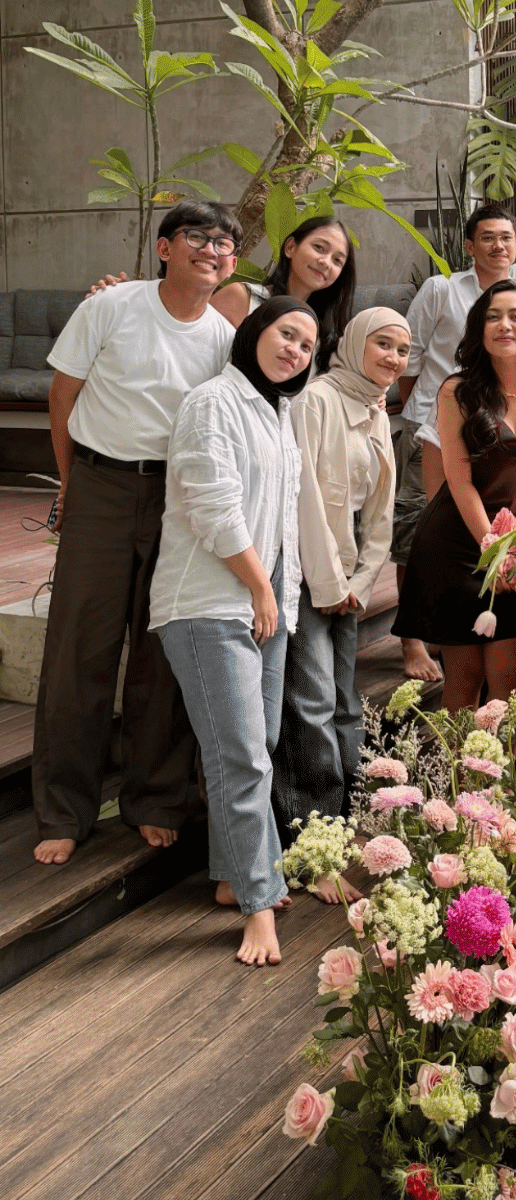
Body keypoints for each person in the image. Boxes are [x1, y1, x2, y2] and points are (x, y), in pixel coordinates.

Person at [33, 200, 241, 867]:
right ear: (164, 248)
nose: (213, 250)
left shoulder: (222, 337)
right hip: (99, 483)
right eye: (199, 238)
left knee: (163, 652)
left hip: (175, 498)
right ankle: (64, 808)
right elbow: (63, 394)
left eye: (226, 244)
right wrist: (72, 483)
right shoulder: (113, 306)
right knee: (79, 650)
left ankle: (154, 797)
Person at [149, 296, 317, 967]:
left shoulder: (279, 414)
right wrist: (257, 588)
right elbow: (209, 503)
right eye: (286, 335)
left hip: (262, 603)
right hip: (207, 603)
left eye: (307, 346)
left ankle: (229, 876)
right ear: (254, 332)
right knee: (241, 754)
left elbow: (285, 526)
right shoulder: (211, 402)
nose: (295, 352)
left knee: (256, 744)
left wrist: (282, 600)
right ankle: (256, 905)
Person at [273, 308, 408, 900]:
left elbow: (381, 511)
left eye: (403, 351)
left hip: (348, 573)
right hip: (307, 570)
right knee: (310, 702)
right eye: (383, 344)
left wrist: (362, 576)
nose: (393, 359)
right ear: (354, 343)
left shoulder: (377, 409)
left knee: (345, 703)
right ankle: (312, 845)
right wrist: (330, 583)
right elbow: (302, 499)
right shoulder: (318, 399)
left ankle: (346, 822)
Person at [392, 281, 516, 712]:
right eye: (492, 316)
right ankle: (458, 780)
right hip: (457, 543)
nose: (504, 325)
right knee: (465, 685)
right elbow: (458, 478)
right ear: (478, 329)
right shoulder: (457, 390)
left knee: (512, 689)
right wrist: (494, 548)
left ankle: (504, 780)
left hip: (515, 545)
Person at [393, 203, 516, 682]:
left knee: (473, 530)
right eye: (487, 237)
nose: (497, 245)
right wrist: (424, 410)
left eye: (506, 237)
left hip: (491, 436)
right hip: (428, 426)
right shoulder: (442, 290)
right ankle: (411, 641)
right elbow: (411, 356)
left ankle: (463, 629)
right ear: (470, 246)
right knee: (416, 529)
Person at [95, 214, 356, 373]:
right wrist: (123, 298)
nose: (325, 262)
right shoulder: (243, 298)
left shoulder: (329, 331)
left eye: (337, 260)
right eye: (319, 248)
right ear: (290, 247)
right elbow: (181, 341)